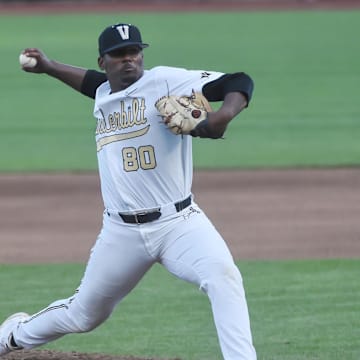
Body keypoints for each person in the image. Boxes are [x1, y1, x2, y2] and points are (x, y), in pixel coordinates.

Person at [0, 23, 256, 359]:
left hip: (179, 223)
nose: (129, 60)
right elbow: (91, 83)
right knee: (84, 315)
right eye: (119, 55)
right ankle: (12, 337)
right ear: (104, 61)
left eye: (134, 52)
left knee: (223, 277)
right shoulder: (104, 91)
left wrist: (223, 114)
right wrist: (50, 67)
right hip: (121, 233)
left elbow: (238, 81)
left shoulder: (164, 81)